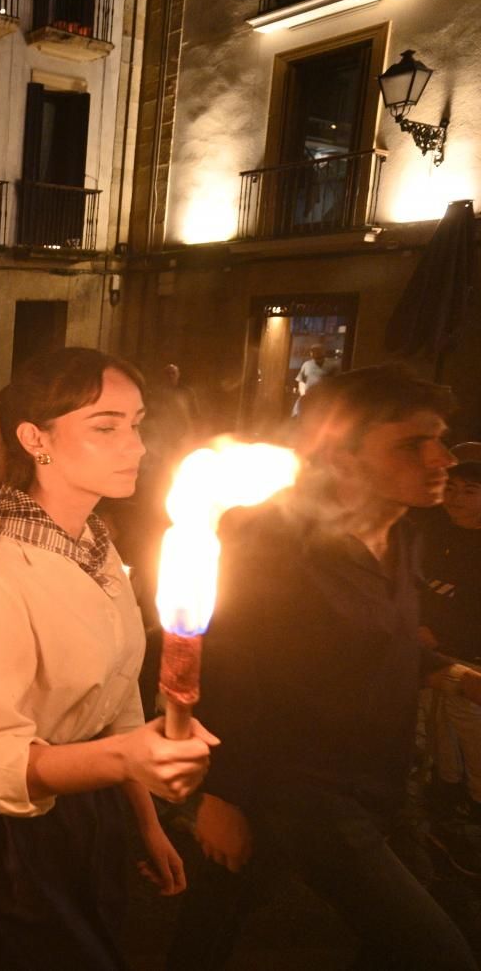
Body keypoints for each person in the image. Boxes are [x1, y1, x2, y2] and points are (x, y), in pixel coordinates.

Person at [170, 366, 479, 970]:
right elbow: (232, 667)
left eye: (440, 438)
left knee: (216, 916)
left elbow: (381, 644)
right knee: (437, 952)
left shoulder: (406, 538)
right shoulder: (274, 543)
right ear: (343, 456)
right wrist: (222, 797)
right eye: (413, 444)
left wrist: (455, 675)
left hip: (380, 784)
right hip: (302, 794)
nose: (441, 458)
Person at [0, 346, 215, 969]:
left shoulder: (94, 545)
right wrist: (126, 759)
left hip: (92, 796)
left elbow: (117, 703)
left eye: (135, 424)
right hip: (7, 831)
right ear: (35, 439)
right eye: (105, 427)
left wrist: (145, 821)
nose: (135, 446)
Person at [418, 445, 481, 824]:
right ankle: (447, 793)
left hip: (469, 656)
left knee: (471, 730)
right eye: (451, 488)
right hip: (435, 651)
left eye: (469, 491)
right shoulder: (433, 532)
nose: (455, 498)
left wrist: (439, 636)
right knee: (441, 728)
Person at [292, 343, 339, 416]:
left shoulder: (332, 365)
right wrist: (303, 395)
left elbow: (336, 382)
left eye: (319, 352)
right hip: (309, 396)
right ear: (311, 354)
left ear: (323, 352)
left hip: (325, 397)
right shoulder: (307, 365)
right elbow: (301, 381)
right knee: (299, 412)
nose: (317, 354)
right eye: (314, 352)